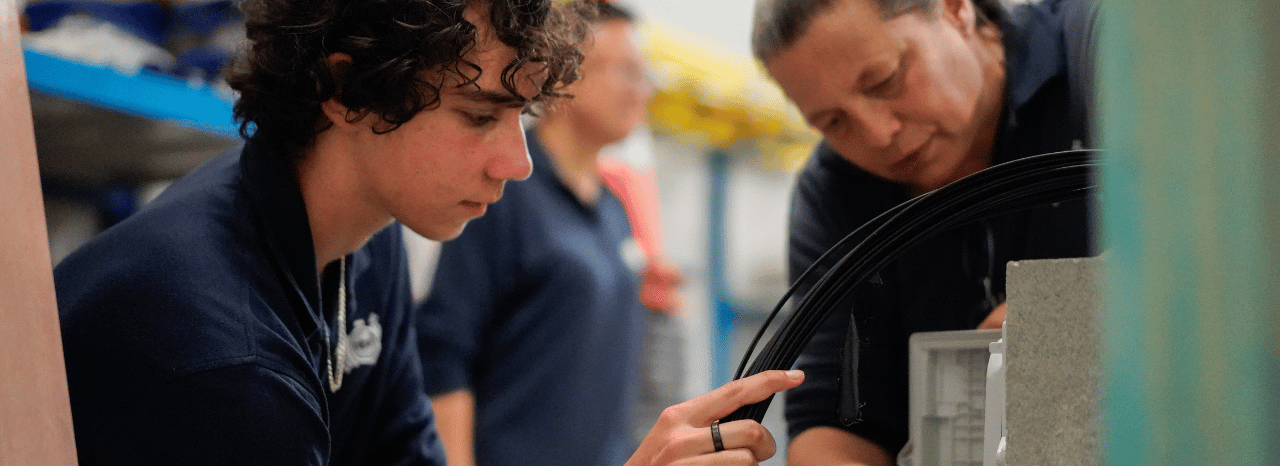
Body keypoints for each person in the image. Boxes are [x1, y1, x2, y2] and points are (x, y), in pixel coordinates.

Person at [52, 0, 804, 464]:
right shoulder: (227, 362)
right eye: (479, 116)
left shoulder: (361, 237)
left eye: (524, 117)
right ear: (344, 90)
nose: (516, 164)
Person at [749, 0, 1098, 464]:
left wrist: (1077, 308)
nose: (877, 134)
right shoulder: (835, 195)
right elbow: (833, 425)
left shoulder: (1101, 49)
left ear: (956, 9)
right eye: (833, 122)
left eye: (884, 80)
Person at [414, 3, 662, 466]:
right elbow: (442, 356)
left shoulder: (614, 210)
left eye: (646, 75)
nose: (643, 92)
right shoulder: (499, 195)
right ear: (565, 76)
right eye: (628, 73)